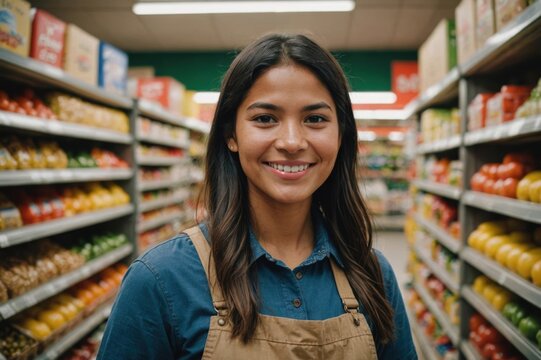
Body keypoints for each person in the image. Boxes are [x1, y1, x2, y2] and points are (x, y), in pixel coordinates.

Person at [97, 33, 417, 359]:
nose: (292, 142)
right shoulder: (160, 280)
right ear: (230, 135)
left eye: (315, 119)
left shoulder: (373, 274)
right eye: (265, 118)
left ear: (341, 135)